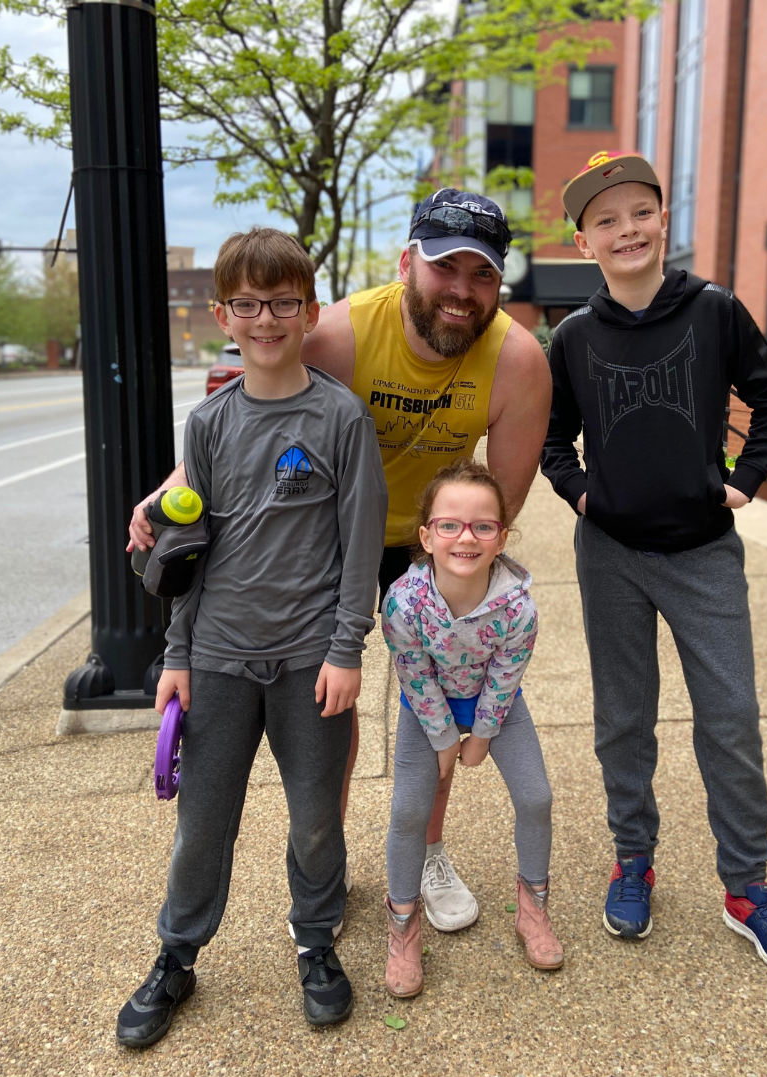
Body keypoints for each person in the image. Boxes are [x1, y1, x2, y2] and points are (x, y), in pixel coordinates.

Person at [128, 190, 551, 933]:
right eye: (442, 266)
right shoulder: (340, 333)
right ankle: (334, 861)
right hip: (332, 532)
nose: (460, 288)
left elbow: (499, 504)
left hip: (434, 540)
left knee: (440, 694)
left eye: (480, 274)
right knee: (334, 697)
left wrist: (455, 579)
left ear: (498, 284)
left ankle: (425, 849)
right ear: (405, 264)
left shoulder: (518, 361)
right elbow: (251, 424)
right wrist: (174, 489)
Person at [540, 151, 767, 974]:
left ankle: (747, 887)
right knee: (623, 719)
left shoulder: (715, 312)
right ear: (584, 242)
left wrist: (741, 486)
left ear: (664, 220)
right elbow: (555, 442)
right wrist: (584, 497)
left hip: (703, 554)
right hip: (611, 555)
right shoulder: (574, 337)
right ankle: (633, 860)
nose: (625, 229)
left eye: (639, 212)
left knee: (729, 717)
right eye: (605, 220)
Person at [116, 228, 387, 1047]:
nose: (264, 318)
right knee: (203, 821)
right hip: (222, 658)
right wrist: (177, 658)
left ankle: (316, 941)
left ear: (308, 311)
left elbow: (361, 543)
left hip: (311, 662)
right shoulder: (207, 424)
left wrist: (347, 649)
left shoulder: (341, 418)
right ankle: (177, 952)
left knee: (315, 818)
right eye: (246, 303)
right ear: (222, 315)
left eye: (280, 302)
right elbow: (190, 556)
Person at [380, 458, 561, 997]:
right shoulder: (403, 603)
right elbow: (411, 672)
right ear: (426, 536)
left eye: (484, 525)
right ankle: (404, 926)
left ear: (501, 536)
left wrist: (481, 734)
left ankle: (532, 907)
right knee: (410, 811)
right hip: (424, 707)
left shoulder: (517, 608)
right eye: (450, 525)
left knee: (536, 798)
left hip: (495, 705)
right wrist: (442, 738)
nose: (467, 536)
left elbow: (507, 677)